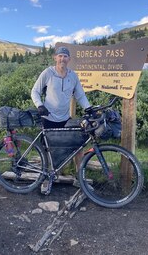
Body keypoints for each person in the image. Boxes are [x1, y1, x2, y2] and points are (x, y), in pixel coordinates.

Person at [31, 46, 91, 193]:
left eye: (65, 56)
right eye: (60, 56)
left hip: (65, 118)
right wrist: (39, 105)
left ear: (69, 59)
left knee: (78, 147)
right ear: (55, 58)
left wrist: (88, 108)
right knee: (47, 149)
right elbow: (35, 91)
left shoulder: (73, 76)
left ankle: (79, 178)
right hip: (48, 117)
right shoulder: (48, 73)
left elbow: (80, 95)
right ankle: (46, 178)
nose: (62, 59)